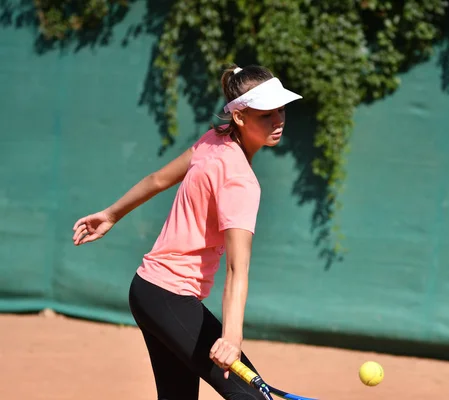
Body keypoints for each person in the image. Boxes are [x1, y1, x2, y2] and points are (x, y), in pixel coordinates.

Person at [72, 64, 302, 400]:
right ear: (239, 117)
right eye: (267, 114)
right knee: (254, 398)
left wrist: (111, 214)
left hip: (147, 291)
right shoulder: (241, 181)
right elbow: (238, 268)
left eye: (280, 109)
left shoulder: (214, 142)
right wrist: (232, 337)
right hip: (169, 296)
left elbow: (157, 179)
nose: (278, 120)